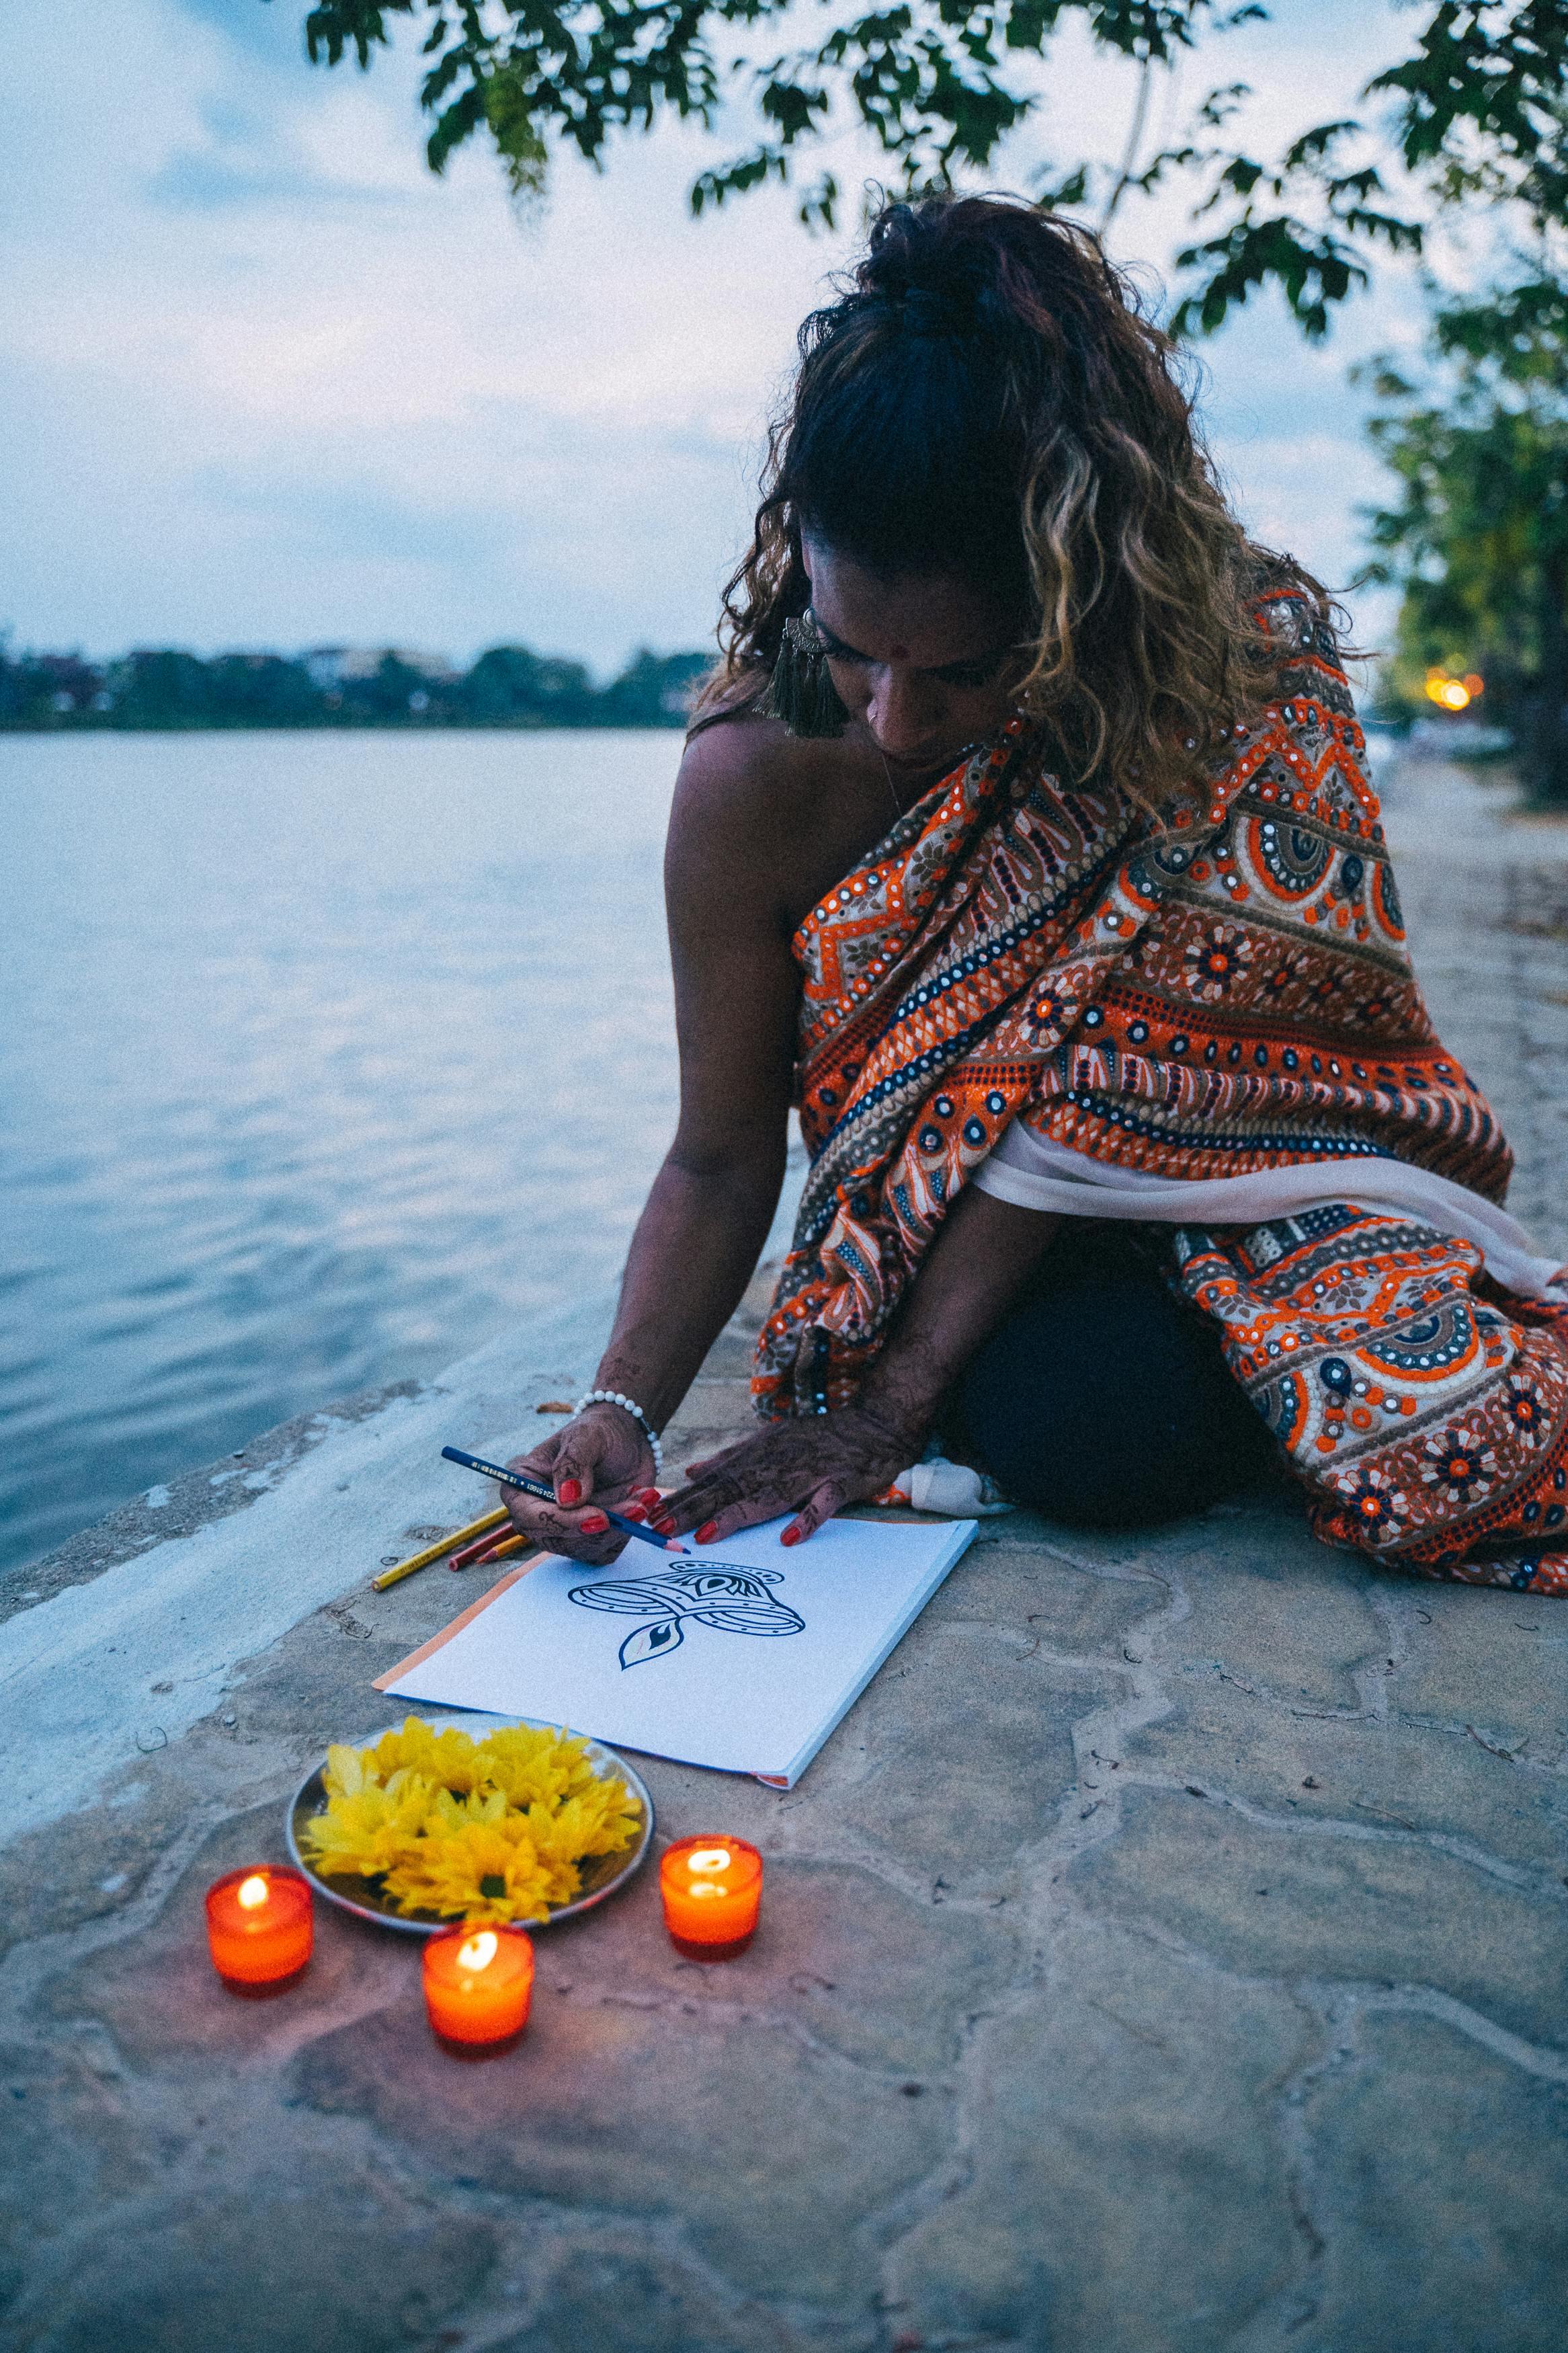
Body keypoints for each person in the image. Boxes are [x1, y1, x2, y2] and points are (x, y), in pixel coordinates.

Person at [498, 192, 1567, 1596]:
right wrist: (619, 1409)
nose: (890, 720)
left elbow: (1108, 1078)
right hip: (974, 1235)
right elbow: (717, 1153)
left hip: (1260, 1171)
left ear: (1075, 602)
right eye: (852, 653)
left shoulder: (1215, 696)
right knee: (1088, 1428)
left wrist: (888, 1409)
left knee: (1439, 1431)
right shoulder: (748, 777)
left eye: (959, 673)